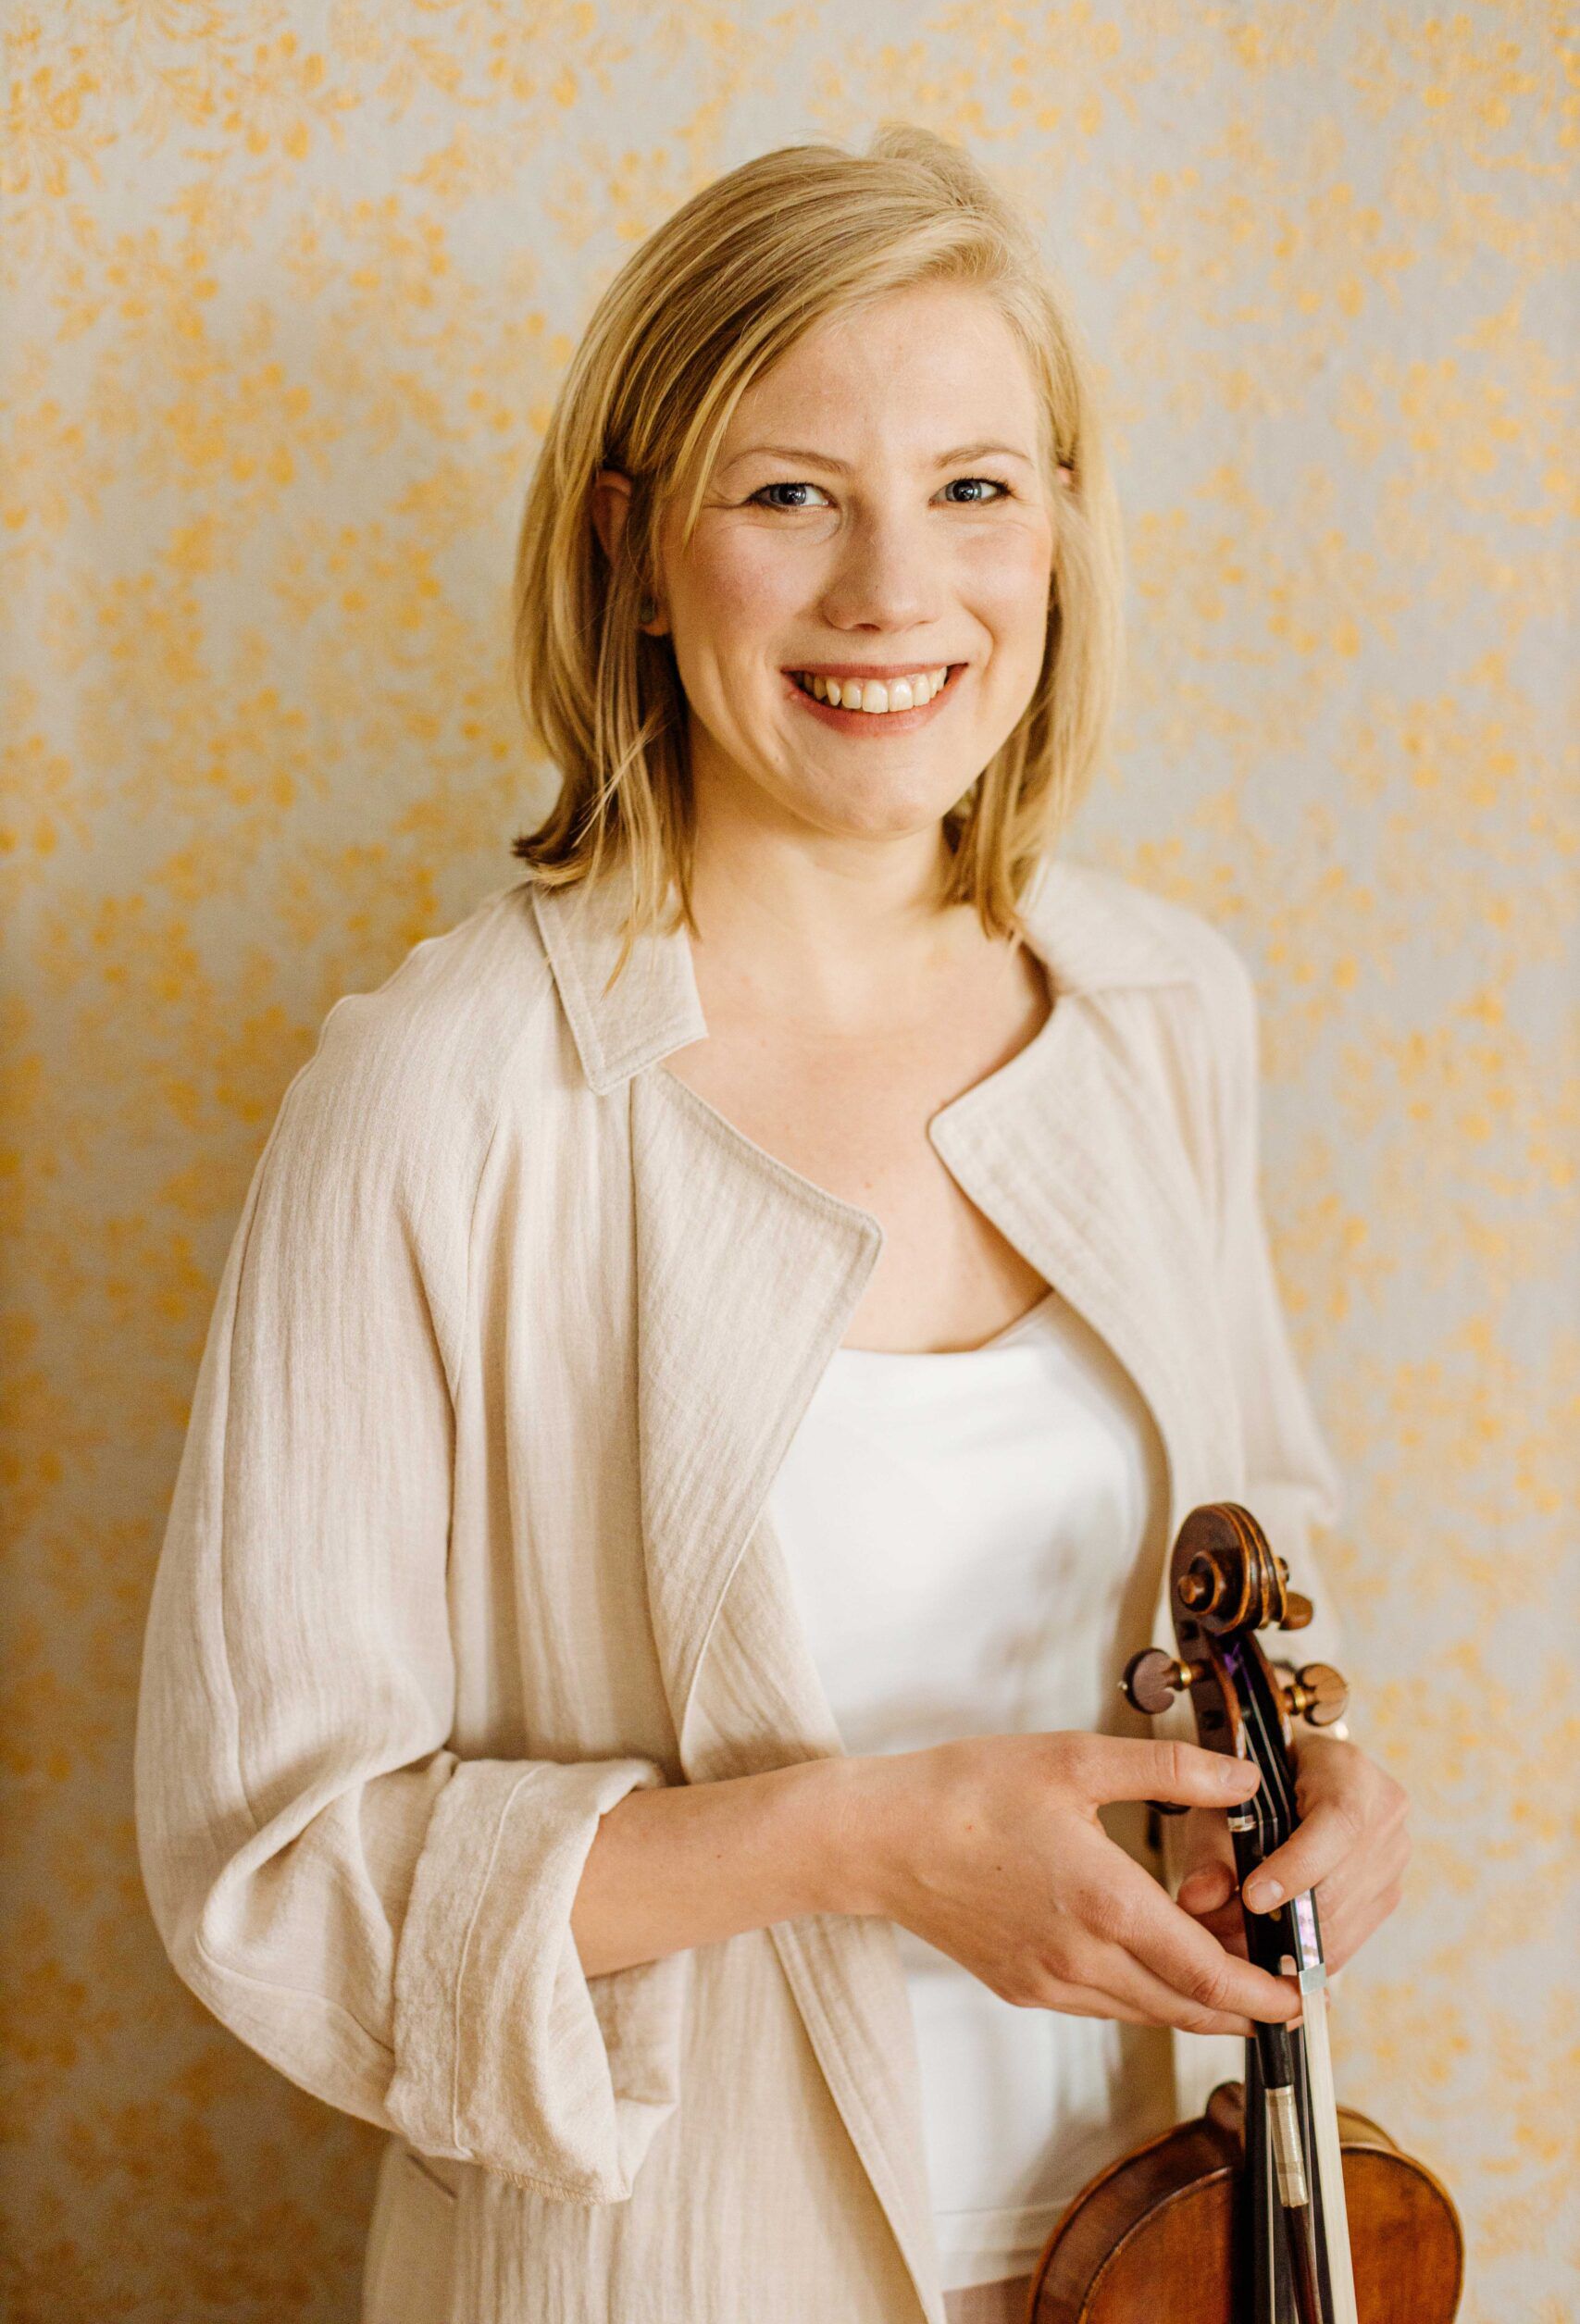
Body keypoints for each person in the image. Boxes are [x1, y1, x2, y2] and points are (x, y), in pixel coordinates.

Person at [133, 125, 1410, 2324]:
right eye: (790, 491)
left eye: (973, 486)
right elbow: (275, 1865)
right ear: (633, 550)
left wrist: (1303, 1797)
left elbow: (1243, 1558)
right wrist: (861, 1837)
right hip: (665, 2264)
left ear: (1062, 526)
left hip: (1150, 2245)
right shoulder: (441, 1091)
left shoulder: (1162, 1011)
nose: (892, 592)